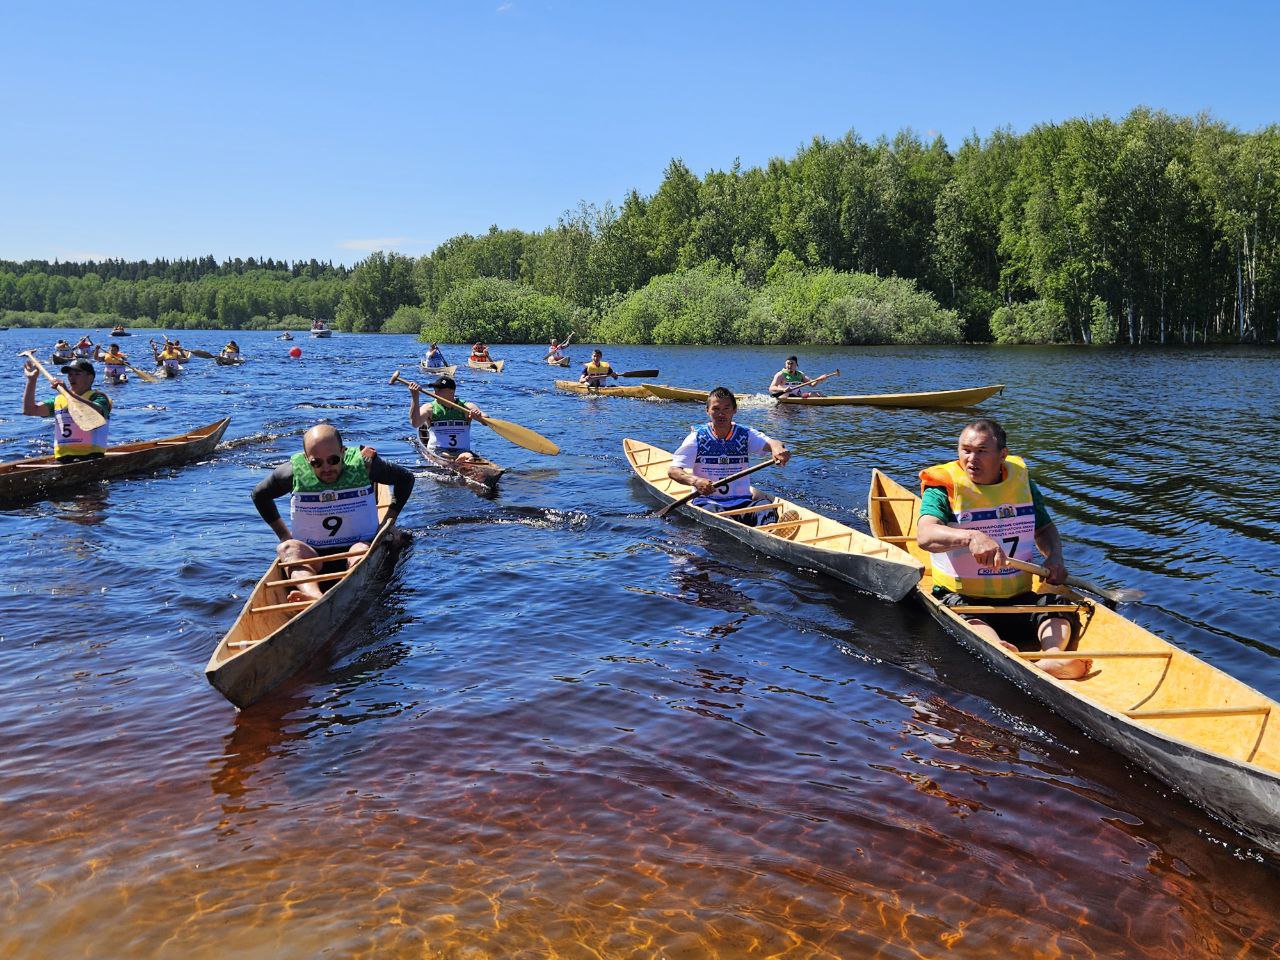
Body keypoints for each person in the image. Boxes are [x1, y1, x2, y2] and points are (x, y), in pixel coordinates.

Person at [915, 417, 1090, 680]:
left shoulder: (1022, 484)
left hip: (1017, 598)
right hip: (964, 599)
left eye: (982, 451)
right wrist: (971, 537)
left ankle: (1052, 657)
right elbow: (925, 535)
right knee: (964, 614)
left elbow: (1044, 530)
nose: (971, 459)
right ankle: (1000, 650)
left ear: (1002, 455)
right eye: (965, 450)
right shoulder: (943, 487)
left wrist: (1054, 557)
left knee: (1057, 605)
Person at [251, 423, 415, 602]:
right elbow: (259, 495)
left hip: (356, 547)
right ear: (307, 459)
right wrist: (284, 535)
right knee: (287, 548)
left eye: (333, 460)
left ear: (343, 452)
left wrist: (388, 521)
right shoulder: (291, 473)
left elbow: (405, 479)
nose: (326, 467)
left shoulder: (366, 465)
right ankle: (314, 596)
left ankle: (346, 589)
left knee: (360, 551)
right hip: (313, 554)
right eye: (317, 463)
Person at [667, 387, 791, 528]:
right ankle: (756, 529)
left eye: (726, 409)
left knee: (765, 505)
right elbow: (673, 471)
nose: (721, 414)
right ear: (707, 411)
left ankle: (771, 530)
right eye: (716, 409)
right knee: (715, 513)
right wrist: (695, 481)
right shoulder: (696, 437)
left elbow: (773, 443)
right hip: (709, 502)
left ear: (734, 410)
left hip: (743, 502)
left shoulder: (745, 434)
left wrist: (778, 449)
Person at [21, 357, 112, 460]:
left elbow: (98, 411)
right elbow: (29, 410)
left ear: (90, 377)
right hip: (63, 458)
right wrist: (31, 380)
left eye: (77, 374)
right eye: (70, 375)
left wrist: (68, 392)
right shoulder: (59, 400)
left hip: (92, 457)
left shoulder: (99, 397)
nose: (72, 378)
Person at [407, 375, 487, 461]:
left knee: (468, 456)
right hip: (438, 451)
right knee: (445, 455)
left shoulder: (466, 407)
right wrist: (415, 398)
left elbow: (485, 420)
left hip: (462, 451)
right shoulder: (429, 408)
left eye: (439, 390)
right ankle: (456, 459)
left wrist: (479, 417)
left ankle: (462, 458)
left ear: (452, 391)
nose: (435, 393)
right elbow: (415, 423)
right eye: (435, 390)